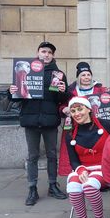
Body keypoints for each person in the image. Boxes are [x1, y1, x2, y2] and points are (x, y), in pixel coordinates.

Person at [8, 41, 69, 206]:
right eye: (43, 51)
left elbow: (63, 100)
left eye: (49, 52)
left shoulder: (58, 74)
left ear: (53, 55)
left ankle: (52, 185)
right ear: (38, 53)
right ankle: (32, 188)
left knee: (51, 155)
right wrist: (11, 92)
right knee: (33, 156)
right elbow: (17, 97)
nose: (46, 54)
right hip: (31, 119)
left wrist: (64, 92)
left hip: (50, 120)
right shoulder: (24, 71)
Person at [65, 97, 110, 218]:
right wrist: (79, 170)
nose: (76, 113)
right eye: (73, 111)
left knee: (89, 186)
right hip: (84, 169)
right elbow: (73, 160)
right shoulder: (70, 134)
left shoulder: (106, 125)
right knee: (73, 187)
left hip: (105, 168)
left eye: (80, 109)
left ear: (89, 109)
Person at [58, 61, 110, 177]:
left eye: (88, 75)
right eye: (83, 75)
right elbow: (62, 105)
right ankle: (78, 171)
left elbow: (108, 105)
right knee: (75, 150)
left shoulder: (101, 89)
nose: (86, 77)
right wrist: (64, 109)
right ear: (78, 77)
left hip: (97, 125)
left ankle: (103, 172)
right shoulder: (71, 91)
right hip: (76, 125)